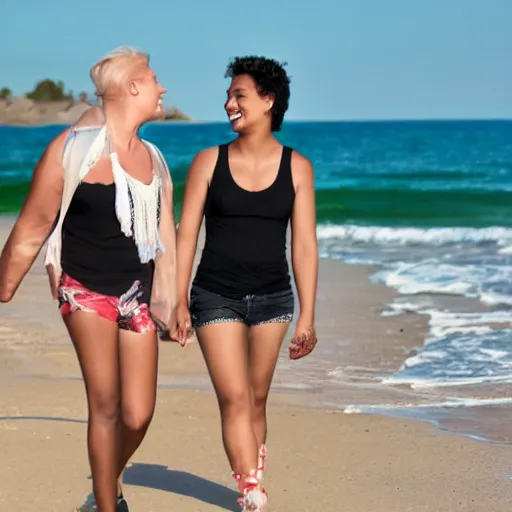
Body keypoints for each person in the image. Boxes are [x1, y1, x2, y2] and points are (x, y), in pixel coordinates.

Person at [0, 47, 184, 512]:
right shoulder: (72, 151)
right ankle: (107, 506)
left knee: (138, 414)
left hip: (135, 296)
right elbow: (31, 228)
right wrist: (3, 289)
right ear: (133, 87)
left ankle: (106, 483)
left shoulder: (156, 161)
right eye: (155, 78)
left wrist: (173, 304)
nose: (163, 88)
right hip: (82, 289)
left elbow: (166, 241)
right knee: (104, 405)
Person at [176, 56, 319, 511]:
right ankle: (251, 490)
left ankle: (251, 470)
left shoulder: (298, 167)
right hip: (214, 296)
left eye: (239, 95)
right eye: (229, 95)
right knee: (234, 397)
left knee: (256, 400)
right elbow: (186, 235)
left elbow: (304, 247)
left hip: (274, 298)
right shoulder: (207, 162)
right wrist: (177, 301)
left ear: (268, 101)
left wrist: (307, 318)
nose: (229, 103)